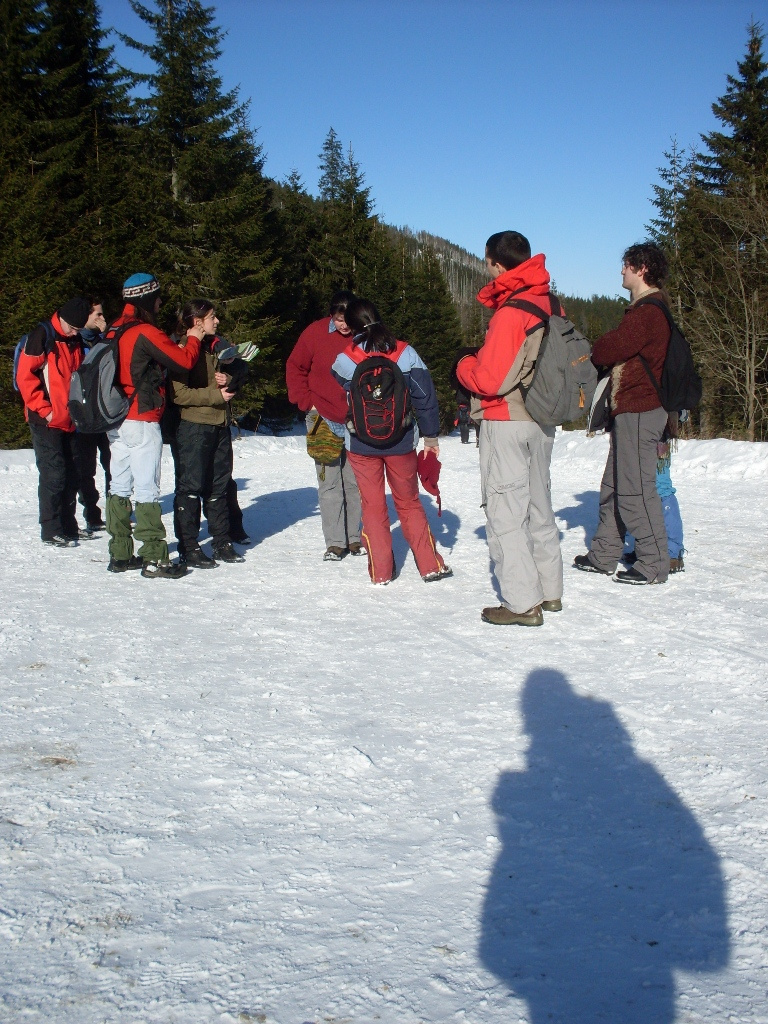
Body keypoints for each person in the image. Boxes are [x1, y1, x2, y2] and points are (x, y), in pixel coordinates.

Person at [455, 231, 563, 626]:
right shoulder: (550, 303)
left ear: (496, 264)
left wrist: (462, 364)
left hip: (507, 421)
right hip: (543, 419)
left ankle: (521, 604)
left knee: (505, 512)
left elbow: (490, 380)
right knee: (539, 505)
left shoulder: (510, 312)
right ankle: (549, 591)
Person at [331, 297, 450, 585]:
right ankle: (429, 565)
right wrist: (431, 436)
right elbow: (425, 397)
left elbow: (337, 382)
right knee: (408, 502)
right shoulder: (406, 353)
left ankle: (381, 572)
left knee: (372, 506)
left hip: (360, 443)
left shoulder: (345, 359)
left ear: (354, 326)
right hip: (401, 440)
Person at [574, 242, 671, 585]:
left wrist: (602, 344)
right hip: (631, 409)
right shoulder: (646, 310)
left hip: (641, 408)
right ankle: (604, 554)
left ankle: (654, 563)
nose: (621, 270)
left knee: (636, 490)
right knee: (614, 486)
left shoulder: (648, 312)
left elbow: (607, 348)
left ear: (642, 267)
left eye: (626, 265)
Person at [106, 273, 202, 578]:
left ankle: (120, 554)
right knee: (147, 487)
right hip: (142, 417)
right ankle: (154, 557)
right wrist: (195, 340)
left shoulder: (113, 329)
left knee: (118, 485)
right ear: (147, 299)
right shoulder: (144, 330)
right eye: (157, 297)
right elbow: (184, 361)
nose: (160, 302)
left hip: (115, 419)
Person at [168, 300, 248, 567]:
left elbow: (233, 375)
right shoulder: (180, 349)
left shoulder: (215, 347)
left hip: (219, 424)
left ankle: (222, 541)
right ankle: (189, 546)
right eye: (212, 317)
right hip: (193, 427)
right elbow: (179, 394)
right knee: (190, 487)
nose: (217, 322)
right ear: (197, 321)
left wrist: (228, 379)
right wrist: (217, 394)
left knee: (219, 486)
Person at [286, 290, 364, 562]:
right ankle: (335, 543)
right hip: (322, 418)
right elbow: (295, 366)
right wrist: (306, 402)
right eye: (339, 319)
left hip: (357, 420)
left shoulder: (363, 334)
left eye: (347, 320)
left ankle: (355, 538)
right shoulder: (315, 332)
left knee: (355, 483)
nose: (344, 325)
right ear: (332, 314)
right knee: (329, 484)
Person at [16, 296, 91, 547]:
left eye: (78, 329)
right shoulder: (42, 335)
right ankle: (50, 528)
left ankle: (69, 526)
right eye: (72, 327)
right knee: (54, 474)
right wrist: (44, 408)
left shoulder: (75, 339)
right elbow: (25, 376)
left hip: (70, 419)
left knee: (73, 474)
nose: (74, 332)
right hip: (45, 420)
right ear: (62, 318)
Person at [73, 298, 110, 533]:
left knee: (114, 465)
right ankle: (92, 514)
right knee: (86, 468)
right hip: (85, 416)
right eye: (97, 314)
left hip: (106, 414)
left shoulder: (105, 339)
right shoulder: (74, 342)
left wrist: (108, 337)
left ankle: (117, 511)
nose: (102, 318)